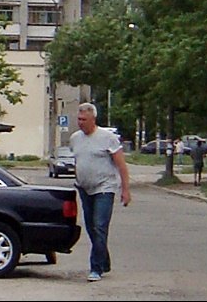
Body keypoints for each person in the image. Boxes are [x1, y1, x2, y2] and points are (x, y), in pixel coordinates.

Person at [69, 101, 131, 282]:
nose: (80, 122)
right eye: (79, 119)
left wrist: (125, 190)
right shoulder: (75, 138)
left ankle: (95, 268)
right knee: (91, 228)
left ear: (93, 119)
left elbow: (121, 165)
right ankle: (104, 260)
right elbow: (78, 161)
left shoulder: (107, 138)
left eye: (84, 119)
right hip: (84, 188)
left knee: (99, 225)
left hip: (104, 187)